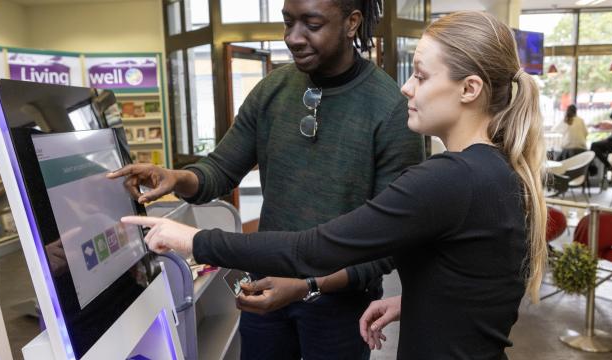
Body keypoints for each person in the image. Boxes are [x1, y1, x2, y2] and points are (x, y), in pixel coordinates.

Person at [122, 11, 547, 359]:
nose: (406, 87)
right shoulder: (494, 170)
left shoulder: (447, 177)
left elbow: (313, 250)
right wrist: (416, 306)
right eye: (288, 21)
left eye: (420, 75)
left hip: (338, 306)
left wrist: (193, 240)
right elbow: (471, 288)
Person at [109, 0, 424, 359]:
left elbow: (390, 240)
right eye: (287, 22)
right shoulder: (273, 90)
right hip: (264, 291)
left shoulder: (391, 109)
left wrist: (308, 286)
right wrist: (175, 177)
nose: (293, 37)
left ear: (352, 23)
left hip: (340, 302)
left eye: (311, 24)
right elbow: (220, 170)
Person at [590, 100, 612, 175]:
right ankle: (608, 167)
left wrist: (608, 138)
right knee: (595, 147)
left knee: (594, 146)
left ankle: (608, 166)